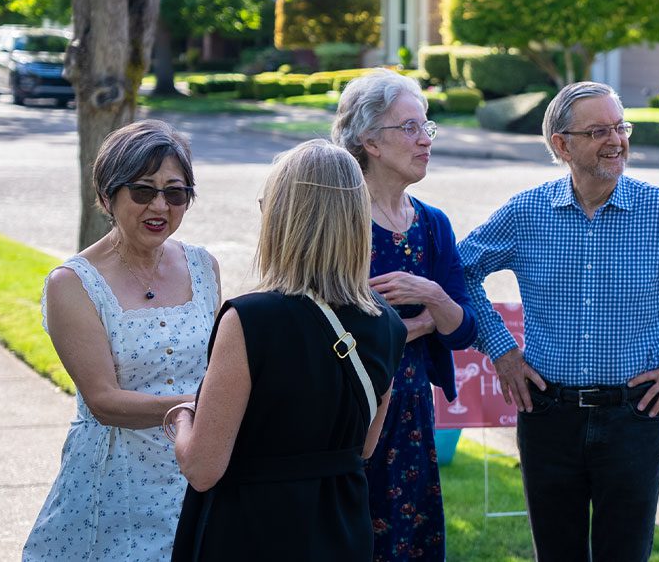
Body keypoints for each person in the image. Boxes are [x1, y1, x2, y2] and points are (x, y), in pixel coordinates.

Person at [458, 81, 659, 562]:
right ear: (562, 144)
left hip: (634, 419)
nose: (616, 140)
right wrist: (501, 350)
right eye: (598, 131)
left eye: (621, 127)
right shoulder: (526, 213)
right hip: (547, 416)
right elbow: (461, 271)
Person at [169, 139, 407, 561]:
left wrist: (182, 418)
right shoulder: (387, 323)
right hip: (341, 530)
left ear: (283, 217)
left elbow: (203, 469)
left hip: (252, 531)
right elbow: (365, 447)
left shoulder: (250, 319)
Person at [23, 120, 221, 561]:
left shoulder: (204, 267)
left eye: (175, 193)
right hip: (114, 480)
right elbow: (104, 401)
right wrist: (205, 407)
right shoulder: (72, 283)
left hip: (194, 470)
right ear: (107, 196)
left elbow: (216, 365)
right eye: (142, 190)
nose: (160, 206)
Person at [331, 68, 477, 561]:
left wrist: (432, 294)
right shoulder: (339, 222)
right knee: (353, 540)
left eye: (426, 127)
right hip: (347, 411)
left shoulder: (433, 224)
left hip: (412, 410)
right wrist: (421, 324)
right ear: (370, 140)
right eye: (410, 128)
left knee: (411, 543)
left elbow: (462, 329)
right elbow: (328, 330)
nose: (425, 141)